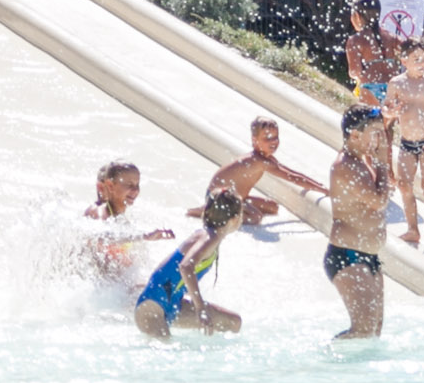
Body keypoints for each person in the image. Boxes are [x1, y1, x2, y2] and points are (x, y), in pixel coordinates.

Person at [137, 191, 246, 339]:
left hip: (174, 303)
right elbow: (186, 266)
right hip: (152, 307)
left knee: (233, 322)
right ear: (235, 219)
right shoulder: (209, 237)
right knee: (166, 350)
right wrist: (200, 308)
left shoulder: (209, 236)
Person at [326, 106, 391, 341]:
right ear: (354, 135)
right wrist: (383, 162)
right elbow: (379, 201)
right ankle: (325, 361)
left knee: (374, 331)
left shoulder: (362, 162)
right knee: (362, 330)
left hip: (369, 257)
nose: (379, 140)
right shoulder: (344, 166)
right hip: (347, 256)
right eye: (374, 133)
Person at [195, 118, 325, 227]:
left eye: (275, 137)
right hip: (218, 199)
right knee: (256, 217)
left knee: (273, 207)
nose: (273, 141)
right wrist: (324, 191)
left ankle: (221, 211)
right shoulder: (258, 161)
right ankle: (212, 214)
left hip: (235, 198)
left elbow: (293, 173)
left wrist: (318, 185)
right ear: (254, 140)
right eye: (267, 138)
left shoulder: (266, 158)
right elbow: (293, 178)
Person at [387, 44, 424, 252]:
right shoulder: (396, 83)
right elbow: (387, 108)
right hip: (407, 142)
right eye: (417, 59)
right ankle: (413, 229)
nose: (422, 64)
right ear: (404, 61)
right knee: (404, 185)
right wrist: (390, 111)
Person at [345, 0, 400, 114]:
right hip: (393, 88)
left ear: (357, 16)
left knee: (369, 126)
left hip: (370, 87)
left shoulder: (355, 40)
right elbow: (410, 52)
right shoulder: (390, 37)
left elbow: (354, 71)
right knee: (388, 130)